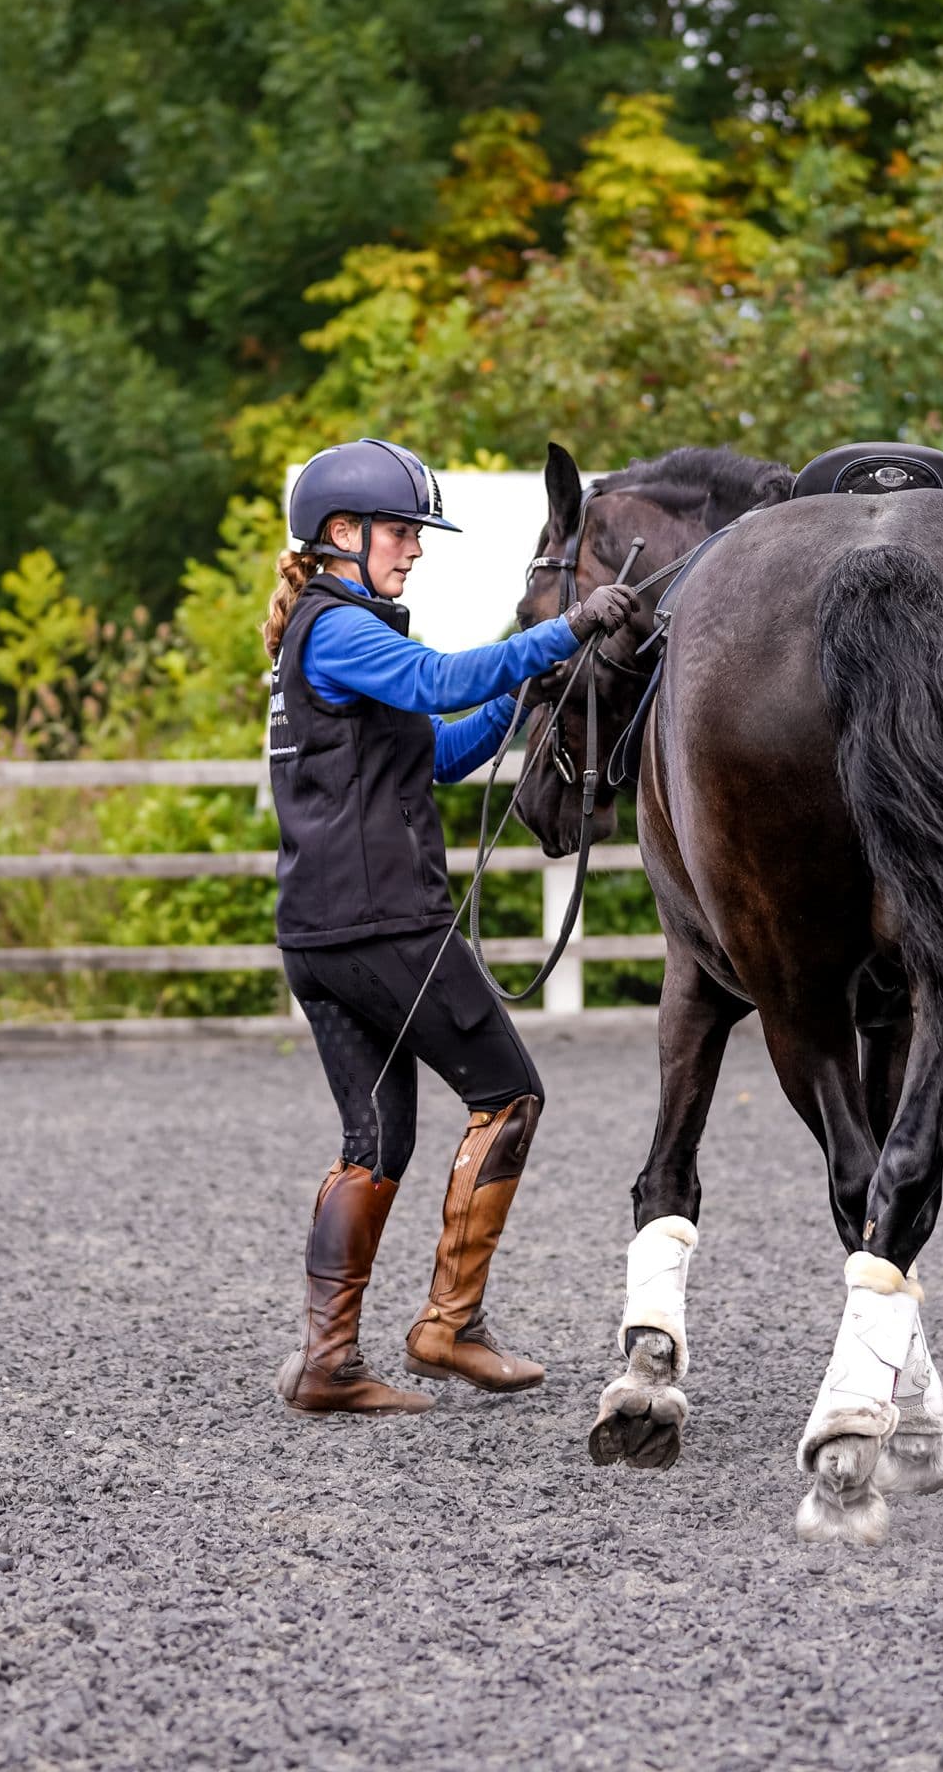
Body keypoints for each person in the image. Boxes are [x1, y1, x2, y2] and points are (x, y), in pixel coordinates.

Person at [263, 438, 635, 1417]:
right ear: (341, 535)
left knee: (373, 1138)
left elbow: (439, 750)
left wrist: (521, 693)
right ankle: (449, 1325)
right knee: (509, 1095)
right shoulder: (339, 630)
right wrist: (562, 631)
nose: (413, 549)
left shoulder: (331, 635)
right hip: (386, 923)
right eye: (399, 531)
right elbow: (438, 682)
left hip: (319, 928)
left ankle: (327, 1363)